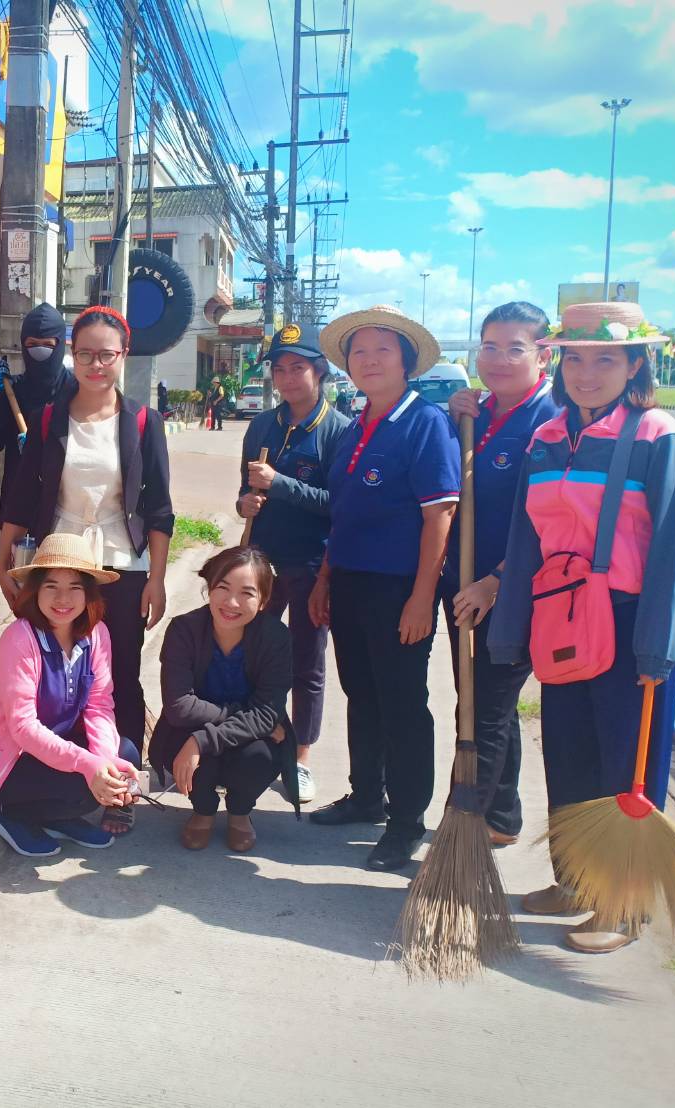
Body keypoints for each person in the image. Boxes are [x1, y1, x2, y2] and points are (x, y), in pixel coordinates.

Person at [489, 301, 675, 954]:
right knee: (569, 757)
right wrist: (508, 629)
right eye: (574, 358)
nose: (586, 373)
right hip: (562, 617)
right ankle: (575, 882)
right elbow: (523, 542)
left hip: (630, 625)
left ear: (635, 363)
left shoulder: (661, 437)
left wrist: (654, 650)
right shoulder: (546, 439)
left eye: (604, 358)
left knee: (622, 771)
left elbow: (670, 551)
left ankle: (622, 907)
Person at [307, 305, 460, 872]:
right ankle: (366, 795)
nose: (369, 361)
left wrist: (422, 598)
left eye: (382, 351)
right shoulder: (355, 427)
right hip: (348, 582)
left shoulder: (425, 424)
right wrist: (325, 578)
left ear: (406, 361)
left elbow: (439, 517)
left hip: (399, 589)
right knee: (361, 696)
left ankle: (405, 821)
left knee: (402, 705)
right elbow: (340, 516)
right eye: (359, 352)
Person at [0, 305, 174, 751]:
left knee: (121, 671)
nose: (96, 365)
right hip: (60, 560)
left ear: (124, 354)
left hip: (122, 564)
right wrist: (5, 558)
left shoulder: (143, 422)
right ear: (71, 355)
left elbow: (158, 506)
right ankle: (63, 757)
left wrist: (156, 578)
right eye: (85, 354)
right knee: (57, 664)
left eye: (107, 355)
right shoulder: (47, 419)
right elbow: (20, 494)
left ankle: (124, 765)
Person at [443, 302, 559, 845]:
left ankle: (463, 830)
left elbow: (549, 521)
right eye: (489, 346)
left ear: (543, 355)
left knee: (484, 709)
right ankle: (502, 818)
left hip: (516, 594)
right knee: (485, 702)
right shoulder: (477, 414)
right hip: (464, 585)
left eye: (516, 348)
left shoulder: (552, 421)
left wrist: (495, 581)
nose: (499, 359)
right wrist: (454, 415)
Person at [0, 534, 141, 857]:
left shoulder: (98, 634)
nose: (63, 598)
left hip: (55, 751)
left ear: (89, 592)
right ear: (34, 590)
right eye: (51, 586)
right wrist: (88, 766)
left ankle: (59, 816)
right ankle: (5, 810)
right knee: (83, 782)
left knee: (125, 755)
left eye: (75, 587)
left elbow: (100, 705)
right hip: (10, 760)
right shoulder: (19, 639)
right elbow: (23, 728)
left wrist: (103, 762)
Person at [236, 322, 350, 802]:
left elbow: (338, 504)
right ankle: (250, 737)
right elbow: (244, 493)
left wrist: (278, 483)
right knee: (251, 654)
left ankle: (300, 756)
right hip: (261, 565)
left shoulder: (338, 431)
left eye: (297, 368)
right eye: (279, 369)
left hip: (310, 566)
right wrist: (245, 504)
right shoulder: (263, 425)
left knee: (307, 663)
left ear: (319, 371)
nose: (287, 378)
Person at [150, 547, 293, 853]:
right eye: (223, 589)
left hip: (239, 736)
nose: (231, 603)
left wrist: (203, 739)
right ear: (209, 589)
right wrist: (247, 718)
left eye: (247, 593)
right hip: (190, 726)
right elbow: (179, 707)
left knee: (260, 756)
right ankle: (203, 810)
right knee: (188, 745)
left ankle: (240, 812)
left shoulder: (276, 637)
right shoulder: (183, 629)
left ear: (264, 600)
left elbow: (268, 711)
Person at [0, 303, 71, 526]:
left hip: (66, 510)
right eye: (32, 345)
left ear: (59, 347)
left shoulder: (75, 391)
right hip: (19, 510)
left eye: (47, 345)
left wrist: (44, 446)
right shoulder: (13, 391)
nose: (39, 351)